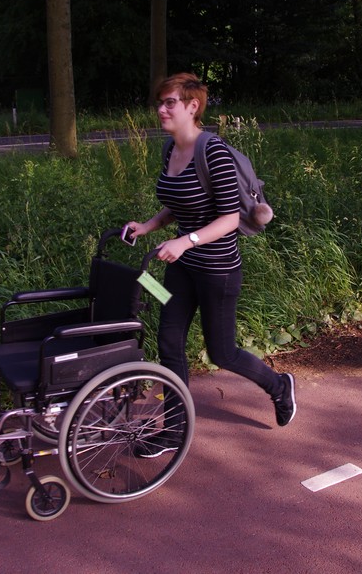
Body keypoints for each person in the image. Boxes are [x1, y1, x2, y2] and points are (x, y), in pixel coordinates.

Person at [124, 73, 295, 454]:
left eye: (170, 102)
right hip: (181, 268)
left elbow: (230, 219)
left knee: (222, 352)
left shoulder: (213, 152)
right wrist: (148, 226)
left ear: (192, 106)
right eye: (160, 102)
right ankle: (174, 430)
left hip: (217, 270)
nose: (161, 109)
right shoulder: (171, 149)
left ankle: (279, 386)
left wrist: (185, 241)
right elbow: (181, 201)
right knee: (169, 343)